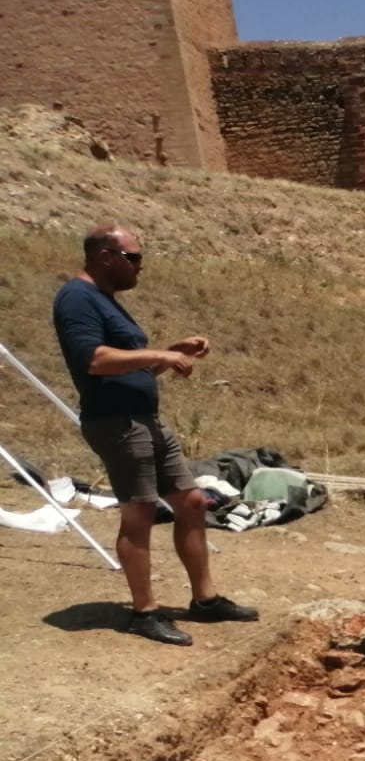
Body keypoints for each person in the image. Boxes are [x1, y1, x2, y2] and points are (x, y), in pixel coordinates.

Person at [52, 224, 258, 646]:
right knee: (139, 514)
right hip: (117, 423)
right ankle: (145, 612)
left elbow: (132, 366)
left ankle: (205, 601)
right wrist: (160, 353)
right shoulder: (77, 298)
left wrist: (171, 351)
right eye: (134, 258)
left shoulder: (106, 301)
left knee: (193, 501)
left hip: (144, 418)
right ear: (105, 256)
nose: (140, 266)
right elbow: (94, 359)